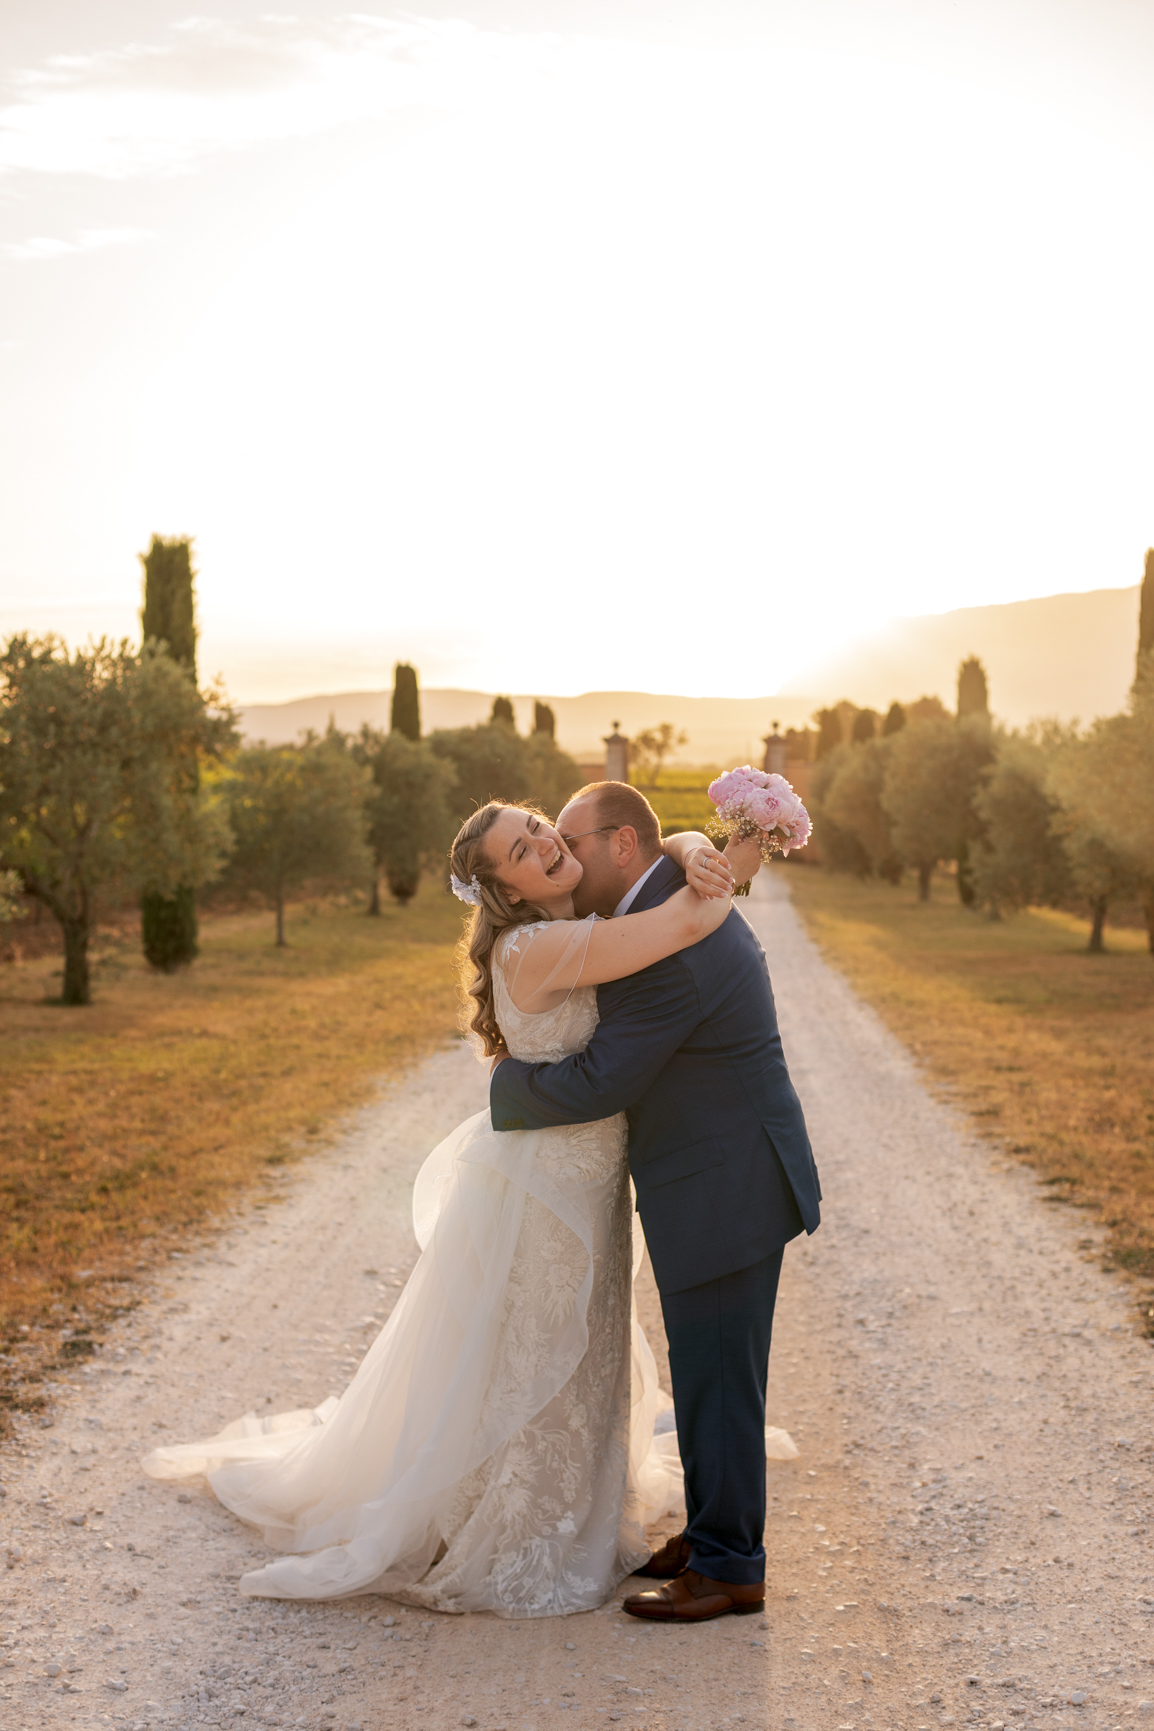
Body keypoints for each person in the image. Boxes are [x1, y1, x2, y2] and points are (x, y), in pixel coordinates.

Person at [141, 799, 752, 1619]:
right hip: (545, 1185)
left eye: (538, 825)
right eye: (519, 849)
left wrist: (680, 838)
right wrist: (727, 857)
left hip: (589, 1177)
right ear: (502, 889)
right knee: (537, 1351)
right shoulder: (534, 946)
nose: (541, 841)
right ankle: (522, 1524)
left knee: (586, 1343)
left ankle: (582, 1508)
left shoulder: (584, 918)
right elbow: (680, 925)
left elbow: (639, 863)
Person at [489, 781, 821, 1623]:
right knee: (711, 1370)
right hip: (726, 1173)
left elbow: (606, 1078)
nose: (560, 853)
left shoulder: (669, 940)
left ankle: (730, 1568)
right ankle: (714, 1536)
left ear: (623, 846)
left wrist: (507, 1086)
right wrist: (684, 839)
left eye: (569, 838)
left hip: (726, 1185)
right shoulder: (670, 898)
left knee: (720, 1378)